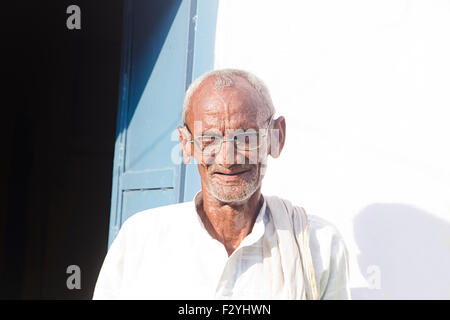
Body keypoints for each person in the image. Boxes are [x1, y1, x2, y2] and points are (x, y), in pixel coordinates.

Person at [93, 69, 351, 299]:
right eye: (210, 139)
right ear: (186, 144)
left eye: (246, 137)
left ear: (277, 137)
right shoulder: (141, 239)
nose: (228, 159)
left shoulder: (317, 244)